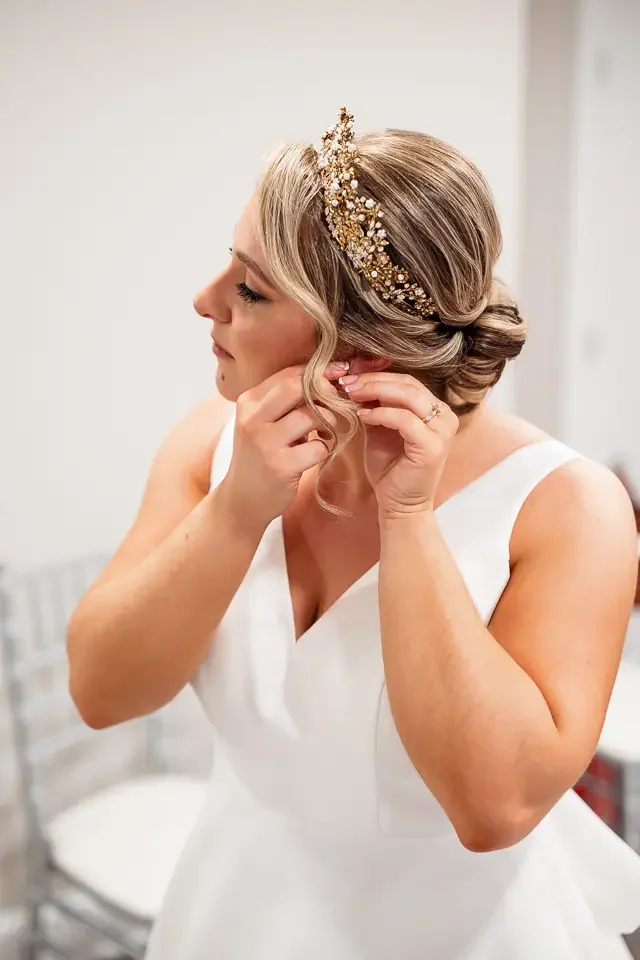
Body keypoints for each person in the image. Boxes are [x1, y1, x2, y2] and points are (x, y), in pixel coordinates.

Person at [67, 108, 640, 959]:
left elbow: (495, 809)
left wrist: (407, 517)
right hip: (236, 910)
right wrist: (235, 511)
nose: (204, 303)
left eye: (250, 290)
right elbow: (101, 691)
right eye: (230, 265)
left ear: (362, 350)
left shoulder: (569, 507)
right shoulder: (207, 447)